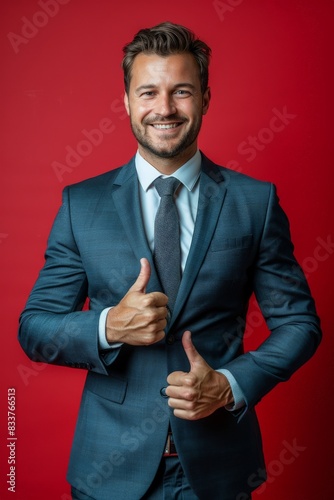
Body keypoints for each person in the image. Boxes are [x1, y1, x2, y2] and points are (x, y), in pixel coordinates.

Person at [19, 22, 321, 500]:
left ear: (204, 97)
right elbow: (33, 328)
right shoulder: (82, 204)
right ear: (126, 101)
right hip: (106, 471)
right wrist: (107, 328)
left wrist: (228, 384)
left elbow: (301, 324)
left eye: (181, 91)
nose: (164, 108)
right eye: (148, 92)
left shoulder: (254, 202)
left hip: (217, 470)